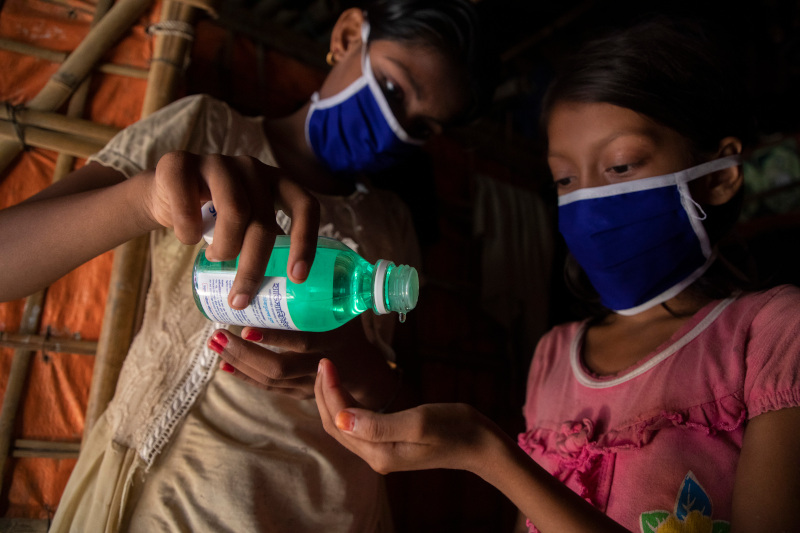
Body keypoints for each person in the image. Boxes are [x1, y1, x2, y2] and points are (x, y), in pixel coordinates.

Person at [0, 1, 497, 531]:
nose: (393, 129)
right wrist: (145, 201)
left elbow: (404, 403)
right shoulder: (205, 130)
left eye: (420, 126)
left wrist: (361, 370)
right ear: (351, 35)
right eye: (395, 91)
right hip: (178, 506)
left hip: (337, 512)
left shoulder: (391, 221)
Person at [314, 18, 800, 533]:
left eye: (620, 166)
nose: (588, 198)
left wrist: (488, 454)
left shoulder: (771, 334)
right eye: (565, 178)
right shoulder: (553, 355)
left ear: (719, 178)